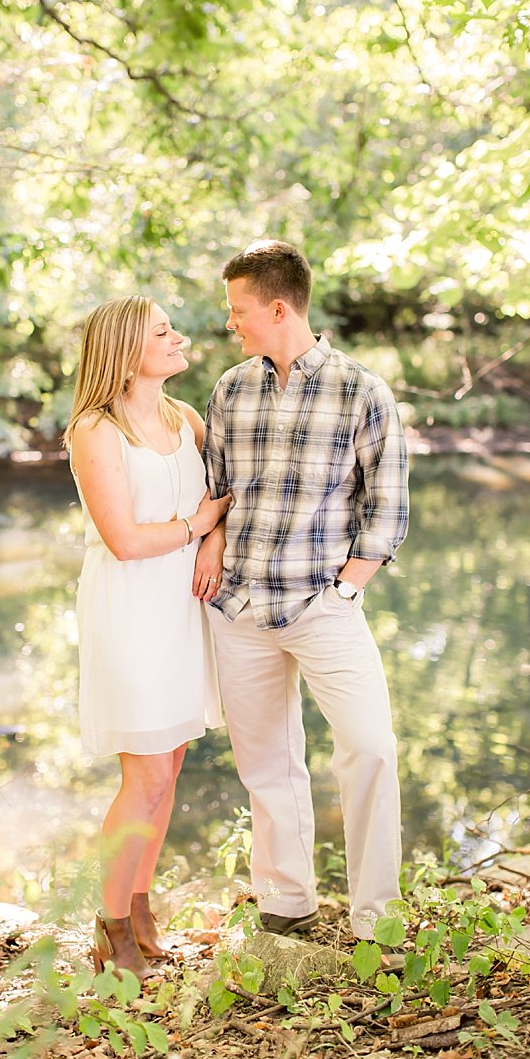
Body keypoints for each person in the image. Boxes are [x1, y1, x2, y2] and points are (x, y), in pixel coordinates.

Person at [197, 239, 410, 944]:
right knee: (268, 763)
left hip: (323, 603)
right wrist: (217, 546)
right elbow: (220, 491)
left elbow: (387, 511)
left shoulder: (363, 392)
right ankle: (287, 902)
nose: (232, 323)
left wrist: (348, 590)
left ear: (278, 307)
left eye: (239, 310)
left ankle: (377, 915)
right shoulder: (229, 389)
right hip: (241, 607)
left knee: (371, 745)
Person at [66, 295, 229, 983]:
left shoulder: (184, 418)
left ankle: (137, 907)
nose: (178, 338)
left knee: (174, 767)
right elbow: (127, 539)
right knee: (147, 774)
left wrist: (213, 538)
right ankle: (107, 929)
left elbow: (219, 500)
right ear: (128, 349)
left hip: (185, 604)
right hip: (131, 606)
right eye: (162, 331)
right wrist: (200, 525)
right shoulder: (95, 431)